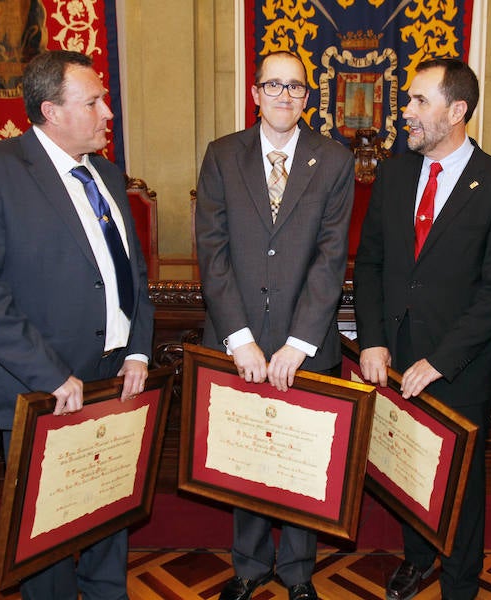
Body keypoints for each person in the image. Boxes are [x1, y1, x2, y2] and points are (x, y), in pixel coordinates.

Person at [0, 50, 154, 599]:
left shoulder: (107, 172)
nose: (109, 113)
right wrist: (51, 374)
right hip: (46, 391)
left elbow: (134, 274)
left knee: (109, 519)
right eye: (94, 102)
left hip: (115, 382)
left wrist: (137, 351)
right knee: (49, 542)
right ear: (51, 111)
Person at [354, 58, 491, 600]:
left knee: (459, 481)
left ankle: (459, 582)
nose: (405, 112)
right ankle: (417, 558)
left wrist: (441, 360)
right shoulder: (395, 172)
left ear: (457, 111)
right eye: (408, 100)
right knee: (408, 465)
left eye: (418, 101)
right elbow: (372, 264)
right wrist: (374, 339)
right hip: (397, 353)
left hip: (458, 365)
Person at [195, 50, 354, 600]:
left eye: (297, 88)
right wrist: (239, 338)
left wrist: (299, 343)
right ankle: (248, 566)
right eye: (274, 86)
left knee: (304, 462)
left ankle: (298, 573)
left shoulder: (333, 159)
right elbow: (211, 252)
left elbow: (331, 258)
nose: (286, 96)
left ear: (307, 98)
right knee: (248, 458)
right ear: (256, 93)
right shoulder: (221, 155)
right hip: (237, 341)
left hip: (306, 343)